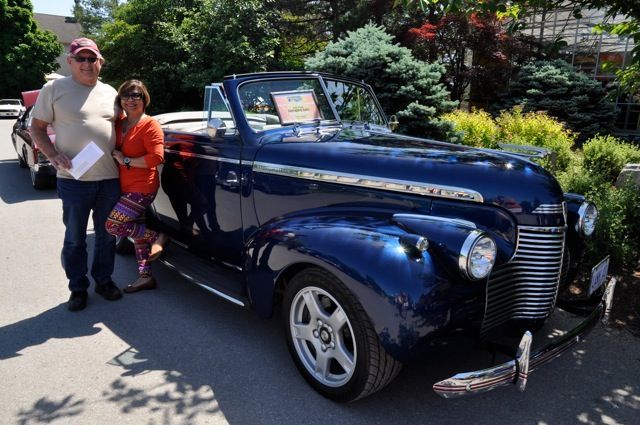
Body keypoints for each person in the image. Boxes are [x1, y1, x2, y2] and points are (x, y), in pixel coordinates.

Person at [30, 38, 122, 311]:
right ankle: (78, 288)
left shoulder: (110, 92)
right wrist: (51, 154)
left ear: (100, 62)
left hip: (109, 179)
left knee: (107, 236)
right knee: (75, 238)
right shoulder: (54, 89)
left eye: (91, 59)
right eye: (80, 59)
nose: (86, 64)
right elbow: (37, 128)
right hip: (74, 181)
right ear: (69, 61)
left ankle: (103, 281)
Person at [106, 80, 168, 294]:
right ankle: (145, 276)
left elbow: (157, 157)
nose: (130, 99)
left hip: (142, 187)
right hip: (124, 186)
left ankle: (157, 237)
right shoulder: (119, 122)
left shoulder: (149, 124)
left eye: (136, 95)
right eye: (126, 95)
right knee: (136, 232)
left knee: (113, 226)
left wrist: (126, 161)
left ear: (144, 99)